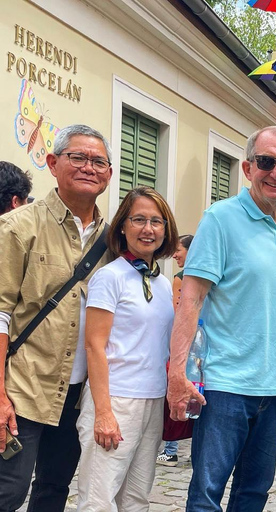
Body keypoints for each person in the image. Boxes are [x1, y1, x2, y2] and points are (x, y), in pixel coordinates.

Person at [166, 125, 276, 512]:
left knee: (254, 493)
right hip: (224, 386)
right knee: (207, 494)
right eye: (267, 162)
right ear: (249, 168)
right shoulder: (219, 219)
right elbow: (191, 299)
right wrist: (178, 375)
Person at [0, 124, 113, 511]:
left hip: (78, 395)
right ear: (53, 162)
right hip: (23, 389)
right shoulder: (18, 227)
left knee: (53, 490)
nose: (88, 167)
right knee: (8, 491)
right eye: (77, 157)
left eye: (98, 161)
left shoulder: (113, 242)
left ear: (109, 174)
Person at [76, 186, 179, 510]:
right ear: (123, 225)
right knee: (99, 499)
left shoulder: (162, 283)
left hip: (152, 399)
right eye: (138, 220)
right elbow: (94, 345)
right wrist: (103, 413)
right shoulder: (110, 277)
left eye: (156, 221)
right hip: (115, 400)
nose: (148, 229)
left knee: (136, 498)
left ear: (166, 229)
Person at [157, 233, 194, 467]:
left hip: (181, 346)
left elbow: (176, 314)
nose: (174, 255)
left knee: (175, 396)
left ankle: (170, 450)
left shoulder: (181, 278)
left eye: (178, 250)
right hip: (199, 346)